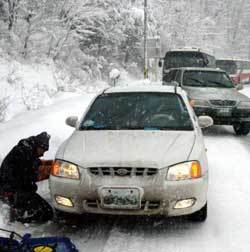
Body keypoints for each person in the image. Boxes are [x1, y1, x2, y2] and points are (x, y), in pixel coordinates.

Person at [0, 132, 54, 223]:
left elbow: (36, 163)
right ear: (38, 146)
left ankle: (20, 211)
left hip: (13, 189)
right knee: (47, 213)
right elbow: (28, 176)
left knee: (43, 209)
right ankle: (20, 220)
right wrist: (45, 173)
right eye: (43, 150)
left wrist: (51, 164)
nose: (43, 154)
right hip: (11, 192)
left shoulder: (27, 150)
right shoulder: (24, 153)